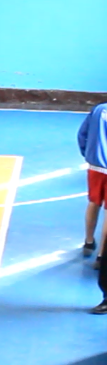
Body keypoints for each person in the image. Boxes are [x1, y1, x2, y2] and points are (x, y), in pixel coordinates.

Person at [78, 102, 107, 264]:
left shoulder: (98, 109)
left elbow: (82, 134)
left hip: (95, 166)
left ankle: (89, 242)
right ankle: (102, 256)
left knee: (93, 202)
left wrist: (88, 154)